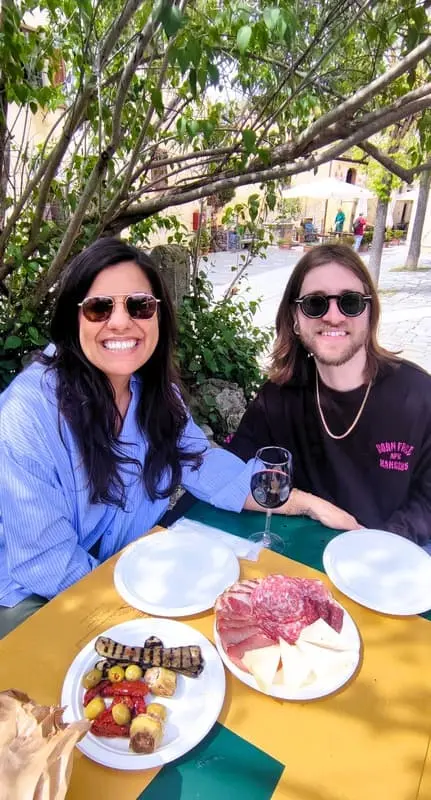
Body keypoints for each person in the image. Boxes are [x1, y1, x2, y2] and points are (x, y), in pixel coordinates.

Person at [0, 238, 268, 637]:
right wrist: (147, 614)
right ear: (74, 320)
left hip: (127, 572)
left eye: (139, 305)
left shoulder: (156, 394)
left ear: (158, 316)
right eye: (99, 307)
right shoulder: (26, 414)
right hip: (36, 597)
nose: (122, 322)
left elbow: (199, 461)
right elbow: (46, 561)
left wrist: (292, 498)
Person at [227, 244, 431, 546]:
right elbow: (232, 476)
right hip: (302, 549)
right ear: (295, 318)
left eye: (350, 302)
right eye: (315, 303)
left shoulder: (419, 395)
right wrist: (307, 503)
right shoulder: (278, 397)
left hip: (392, 555)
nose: (333, 316)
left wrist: (381, 542)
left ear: (370, 312)